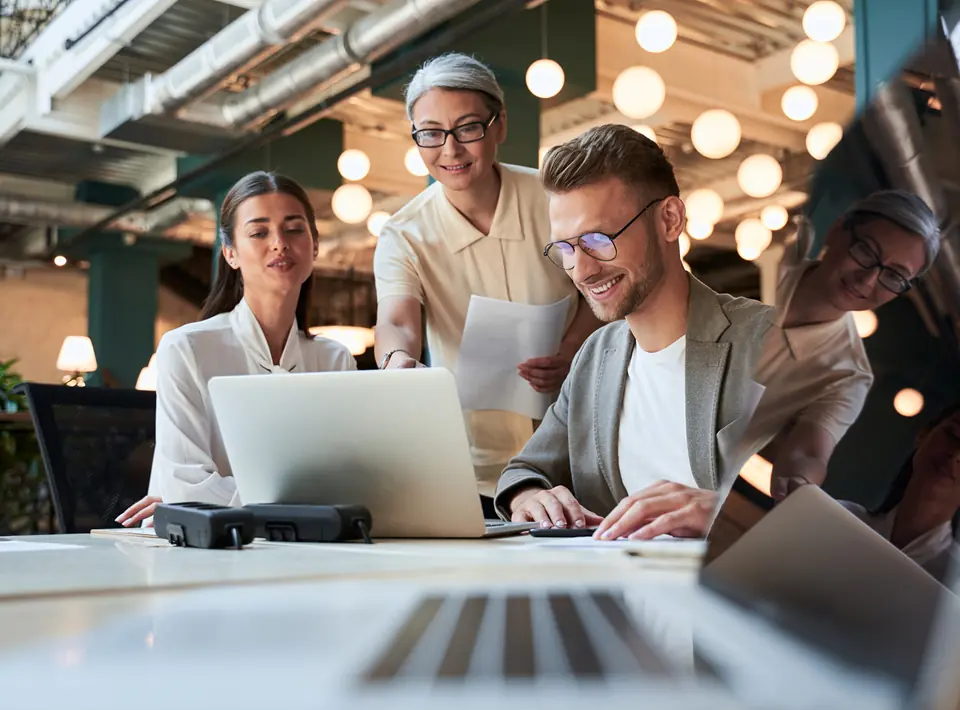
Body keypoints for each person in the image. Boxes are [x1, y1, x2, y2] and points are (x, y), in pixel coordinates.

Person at [493, 124, 773, 540]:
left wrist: (728, 512)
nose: (582, 270)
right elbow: (526, 470)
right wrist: (530, 496)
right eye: (566, 248)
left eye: (597, 239)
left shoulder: (770, 341)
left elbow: (842, 511)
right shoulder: (596, 356)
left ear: (670, 219)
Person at [373, 53, 601, 512]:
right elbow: (397, 321)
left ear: (498, 126)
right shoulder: (404, 234)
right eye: (431, 134)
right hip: (471, 464)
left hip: (578, 443)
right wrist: (397, 361)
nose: (450, 149)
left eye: (468, 128)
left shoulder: (553, 199)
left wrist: (572, 348)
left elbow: (600, 287)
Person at [116, 171, 356, 527]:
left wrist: (227, 499)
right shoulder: (186, 349)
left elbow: (350, 484)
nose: (279, 243)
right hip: (209, 553)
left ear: (315, 245)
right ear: (230, 252)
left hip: (307, 548)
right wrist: (306, 505)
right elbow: (184, 485)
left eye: (294, 229)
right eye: (259, 232)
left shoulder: (335, 360)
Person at [748, 189, 941, 500]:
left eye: (894, 275)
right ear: (837, 231)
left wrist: (800, 480)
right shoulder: (756, 266)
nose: (867, 280)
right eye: (866, 252)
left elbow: (809, 453)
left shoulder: (848, 375)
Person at [840, 402, 960, 583]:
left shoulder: (954, 584)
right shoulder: (839, 521)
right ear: (923, 434)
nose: (956, 454)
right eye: (953, 435)